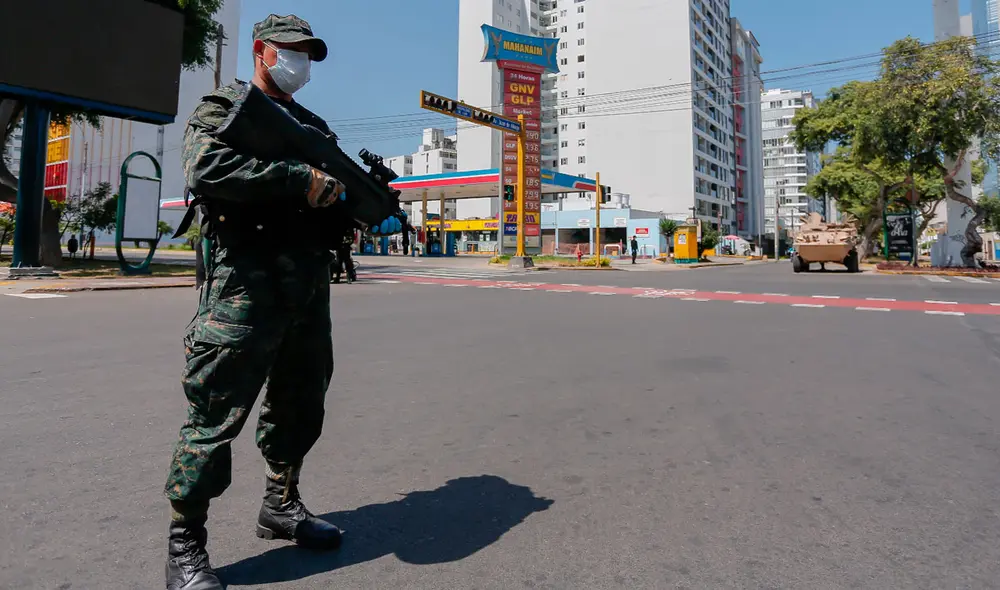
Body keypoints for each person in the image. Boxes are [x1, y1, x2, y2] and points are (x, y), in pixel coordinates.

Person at [163, 14, 402, 590]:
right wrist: (294, 177)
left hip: (306, 289)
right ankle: (185, 544)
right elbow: (205, 166)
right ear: (262, 52)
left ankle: (281, 503)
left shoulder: (313, 125)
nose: (301, 63)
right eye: (291, 51)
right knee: (214, 414)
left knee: (301, 402)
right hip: (243, 288)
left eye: (310, 54)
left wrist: (367, 208)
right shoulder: (223, 107)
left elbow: (334, 192)